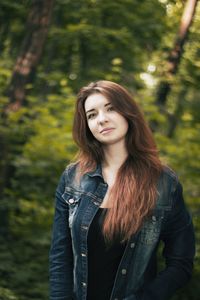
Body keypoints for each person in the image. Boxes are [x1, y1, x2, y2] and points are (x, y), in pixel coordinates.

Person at [49, 80, 195, 300]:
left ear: (128, 112)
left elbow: (181, 263)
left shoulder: (164, 183)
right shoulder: (73, 179)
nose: (102, 119)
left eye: (110, 108)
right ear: (86, 126)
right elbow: (61, 257)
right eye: (92, 115)